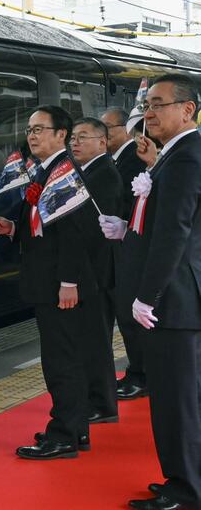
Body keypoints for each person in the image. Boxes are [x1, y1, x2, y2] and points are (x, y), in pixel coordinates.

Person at [99, 74, 201, 510]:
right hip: (174, 298)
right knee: (176, 396)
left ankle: (187, 490)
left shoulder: (185, 158)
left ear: (187, 109)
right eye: (148, 106)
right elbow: (160, 222)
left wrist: (149, 294)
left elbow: (175, 232)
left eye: (159, 104)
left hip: (173, 301)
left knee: (177, 400)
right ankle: (183, 479)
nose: (150, 114)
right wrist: (126, 230)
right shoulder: (174, 155)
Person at [0, 105, 95, 459]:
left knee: (61, 360)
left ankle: (63, 435)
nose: (32, 135)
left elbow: (75, 234)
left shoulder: (65, 173)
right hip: (47, 281)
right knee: (64, 357)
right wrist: (14, 228)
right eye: (30, 129)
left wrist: (68, 281)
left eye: (39, 129)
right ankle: (74, 429)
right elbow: (46, 228)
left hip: (58, 286)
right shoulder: (45, 170)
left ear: (60, 134)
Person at [69, 117, 121, 424]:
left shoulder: (103, 176)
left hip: (97, 272)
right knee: (89, 338)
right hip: (92, 272)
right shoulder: (88, 172)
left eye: (83, 137)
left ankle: (102, 403)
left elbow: (92, 231)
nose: (75, 142)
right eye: (73, 137)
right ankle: (95, 398)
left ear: (102, 142)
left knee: (96, 340)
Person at [100, 107, 152, 399]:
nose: (104, 135)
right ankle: (138, 371)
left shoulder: (134, 158)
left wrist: (120, 223)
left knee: (130, 315)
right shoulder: (118, 159)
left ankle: (141, 375)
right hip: (118, 247)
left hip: (129, 249)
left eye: (109, 129)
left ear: (126, 129)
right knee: (124, 314)